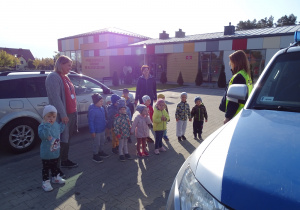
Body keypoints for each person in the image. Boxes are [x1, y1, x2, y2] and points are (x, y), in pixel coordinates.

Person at [45, 55, 78, 175]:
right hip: (61, 115)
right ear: (61, 64)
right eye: (68, 65)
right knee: (57, 141)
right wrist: (63, 114)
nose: (70, 68)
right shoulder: (53, 77)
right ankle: (55, 167)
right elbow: (56, 98)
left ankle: (64, 160)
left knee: (66, 139)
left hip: (70, 113)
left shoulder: (65, 77)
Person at [38, 105, 66, 192]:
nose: (51, 119)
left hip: (55, 151)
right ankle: (45, 182)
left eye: (54, 117)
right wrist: (47, 125)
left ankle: (55, 177)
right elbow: (44, 136)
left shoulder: (56, 124)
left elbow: (60, 130)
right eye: (48, 116)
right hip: (46, 153)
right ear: (44, 117)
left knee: (55, 166)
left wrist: (63, 124)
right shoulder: (42, 126)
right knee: (46, 168)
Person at [221, 50, 253, 124]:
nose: (230, 64)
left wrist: (227, 117)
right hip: (243, 113)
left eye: (231, 62)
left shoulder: (239, 77)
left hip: (235, 115)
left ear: (236, 62)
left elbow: (233, 100)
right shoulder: (246, 75)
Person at [88, 93, 110, 163]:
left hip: (102, 129)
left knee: (102, 142)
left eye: (102, 101)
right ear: (95, 102)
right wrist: (92, 131)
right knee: (96, 143)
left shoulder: (102, 108)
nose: (102, 102)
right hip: (96, 131)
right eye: (100, 101)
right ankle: (95, 155)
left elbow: (104, 118)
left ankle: (101, 151)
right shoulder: (92, 111)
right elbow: (91, 122)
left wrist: (106, 123)